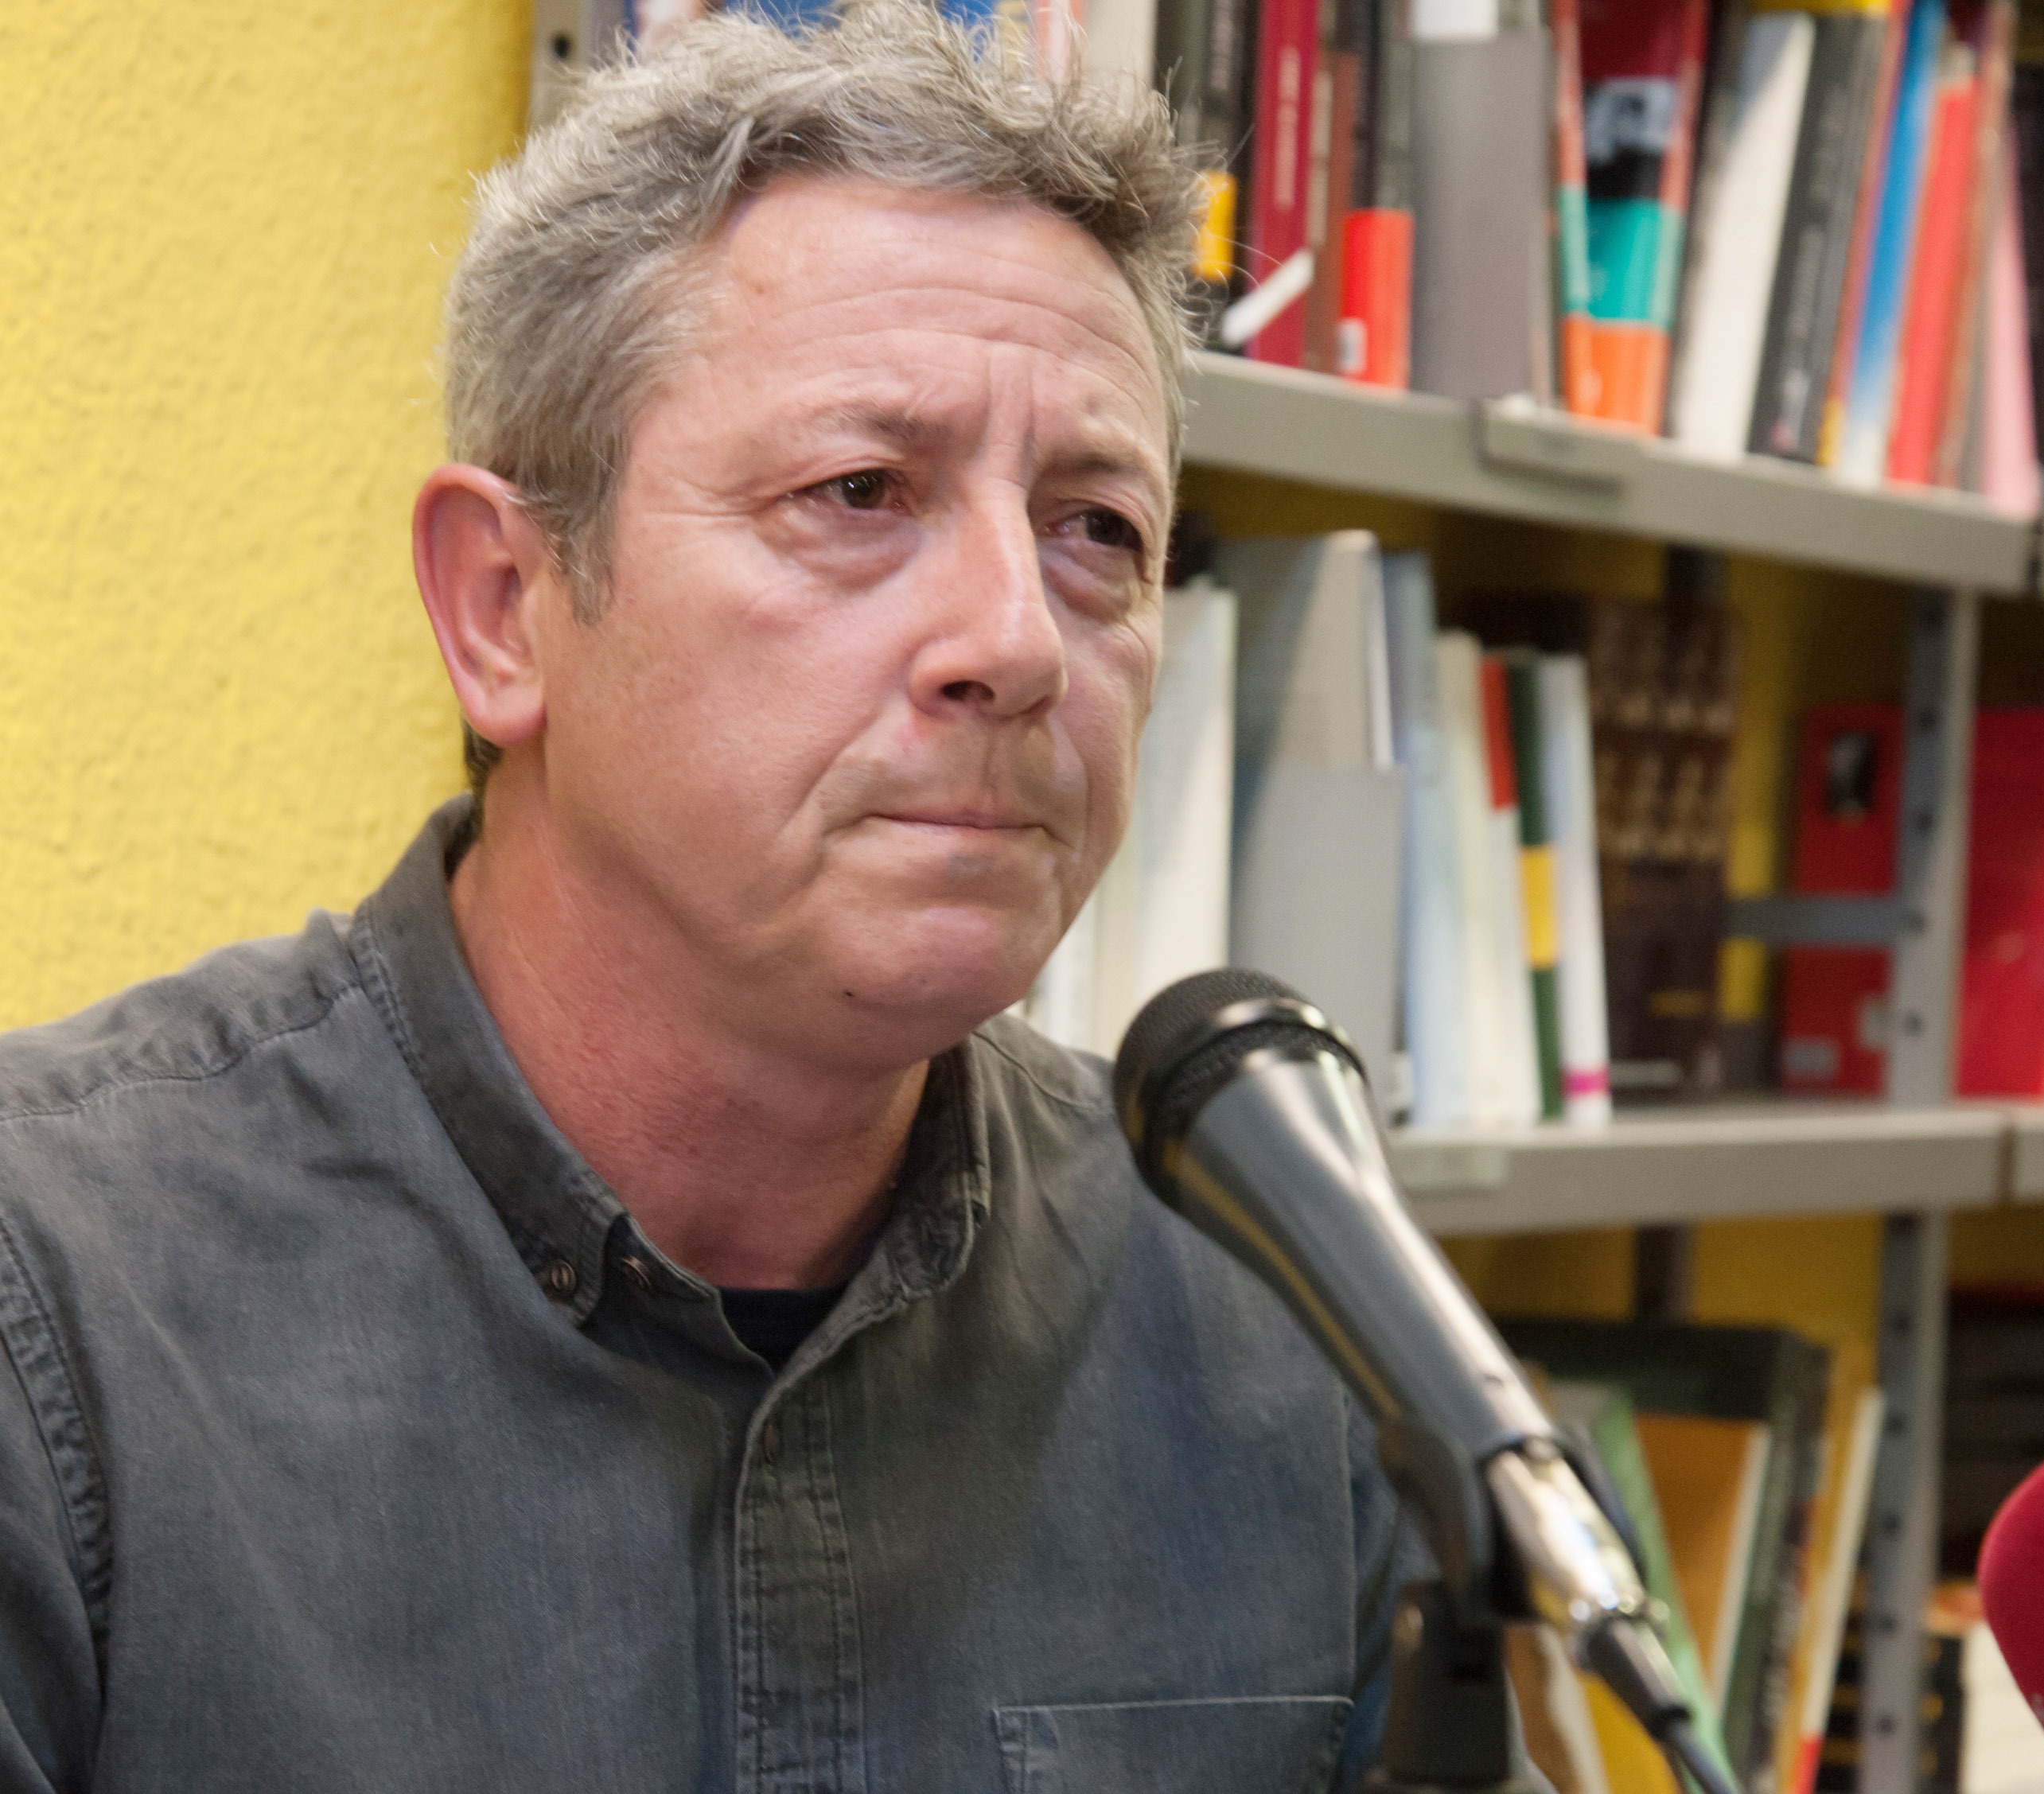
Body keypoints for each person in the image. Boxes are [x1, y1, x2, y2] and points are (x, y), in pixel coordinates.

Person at [0, 7, 1424, 1788]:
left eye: (1095, 532)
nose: (1011, 640)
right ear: (505, 609)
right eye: (856, 492)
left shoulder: (1272, 1323)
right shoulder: (54, 1305)